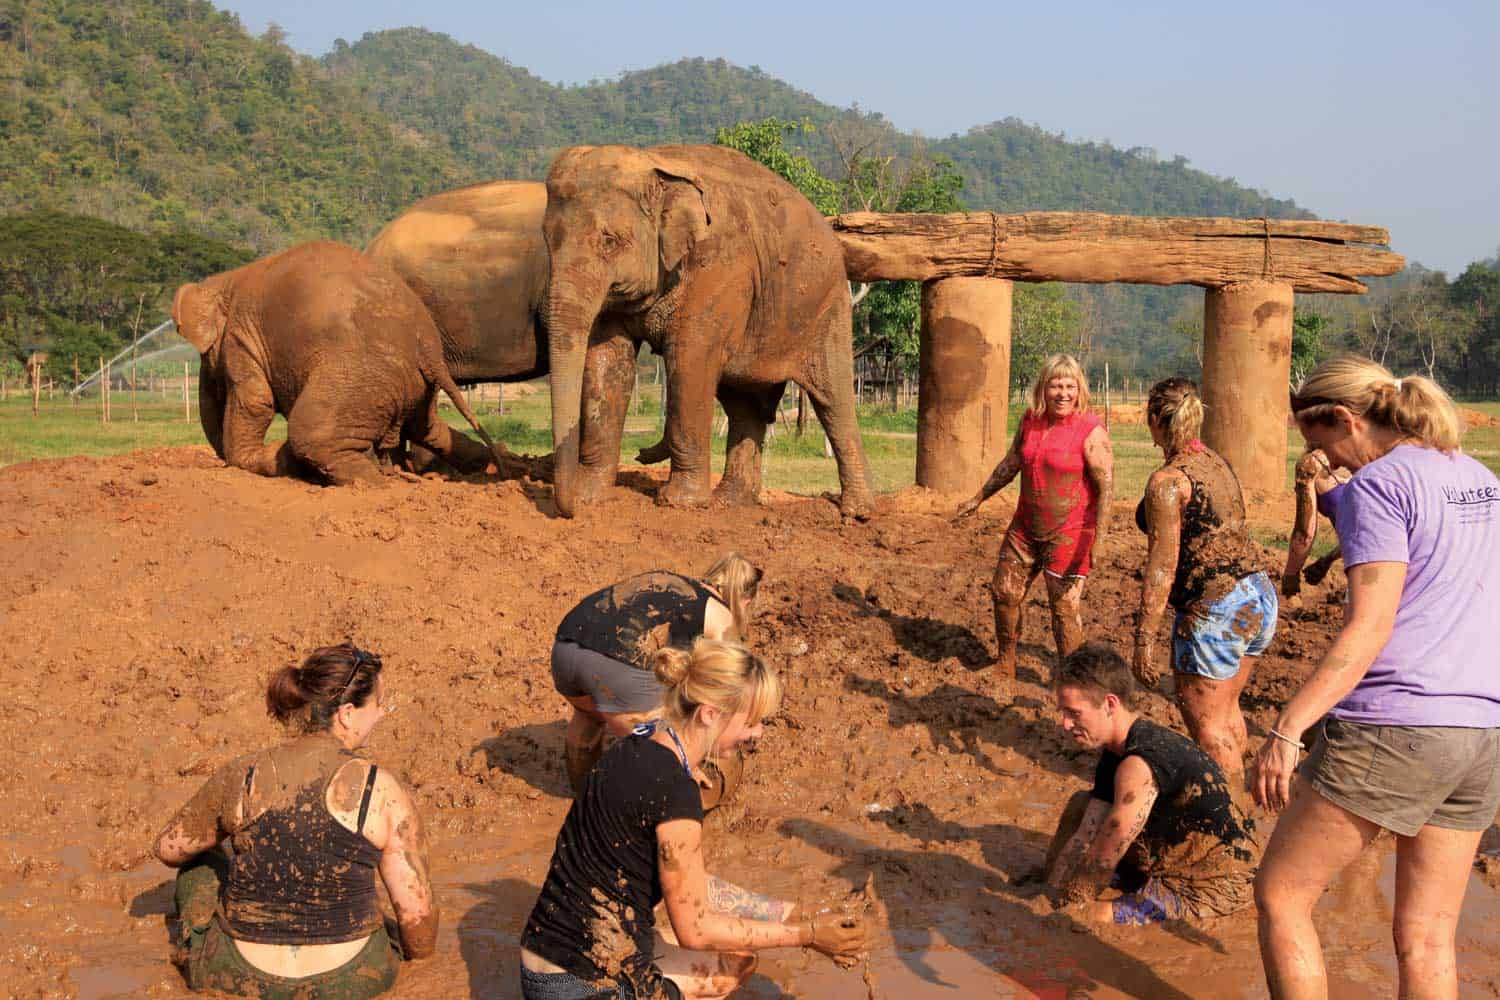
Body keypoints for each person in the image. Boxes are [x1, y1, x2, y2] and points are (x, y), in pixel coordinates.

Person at [1251, 358, 1500, 1000]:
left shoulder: (1379, 486)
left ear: (1345, 419)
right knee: (1428, 936)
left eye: (1320, 443)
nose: (1324, 459)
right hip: (1480, 731)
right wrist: (1341, 497)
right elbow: (1429, 551)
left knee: (1282, 894)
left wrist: (1287, 728)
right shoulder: (1479, 479)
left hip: (1396, 722)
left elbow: (1370, 626)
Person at [520, 638, 868, 999]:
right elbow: (695, 930)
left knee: (736, 960)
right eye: (752, 722)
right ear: (709, 714)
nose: (758, 734)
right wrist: (808, 935)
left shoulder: (638, 742)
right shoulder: (676, 793)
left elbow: (694, 887)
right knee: (723, 970)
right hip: (582, 987)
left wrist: (797, 913)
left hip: (540, 960)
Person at [152, 644, 436, 999]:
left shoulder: (244, 773)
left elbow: (169, 849)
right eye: (380, 703)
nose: (382, 714)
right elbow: (417, 919)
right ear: (347, 714)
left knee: (199, 863)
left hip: (238, 976)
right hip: (350, 982)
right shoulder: (381, 789)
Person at [1043, 642, 1261, 926]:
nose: (1064, 724)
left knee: (1091, 917)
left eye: (1074, 713)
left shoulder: (1140, 763)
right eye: (1062, 712)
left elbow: (1108, 849)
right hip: (1169, 854)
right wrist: (1051, 892)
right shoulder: (1115, 751)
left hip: (1215, 884)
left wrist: (1072, 907)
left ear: (1110, 704)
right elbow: (1087, 832)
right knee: (1080, 804)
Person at [1132, 376, 1276, 780]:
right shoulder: (1215, 461)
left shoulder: (1168, 483)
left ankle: (1227, 806)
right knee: (1226, 712)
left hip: (1216, 612)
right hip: (1257, 596)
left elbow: (1162, 567)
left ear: (1154, 420)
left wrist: (1144, 639)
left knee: (1210, 730)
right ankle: (1240, 794)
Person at [551, 554, 762, 801]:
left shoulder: (678, 587)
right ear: (745, 601)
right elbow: (726, 686)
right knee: (661, 747)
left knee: (589, 716)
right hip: (616, 668)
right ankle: (644, 811)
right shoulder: (722, 616)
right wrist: (692, 758)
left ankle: (581, 797)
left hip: (564, 650)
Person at [956, 354, 1114, 683]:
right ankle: (1006, 662)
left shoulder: (1091, 430)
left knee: (1064, 609)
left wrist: (1098, 541)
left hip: (1069, 533)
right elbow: (1012, 462)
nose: (1063, 393)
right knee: (1003, 593)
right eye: (1056, 385)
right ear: (1043, 388)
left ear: (1080, 390)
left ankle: (1072, 680)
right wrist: (979, 497)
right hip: (1025, 529)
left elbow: (1106, 487)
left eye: (1070, 386)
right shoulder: (1031, 420)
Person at [1281, 446, 1349, 597]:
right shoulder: (1369, 453)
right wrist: (1328, 559)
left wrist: (1291, 574)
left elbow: (1305, 532)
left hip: (1367, 563)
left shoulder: (1313, 462)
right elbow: (1366, 529)